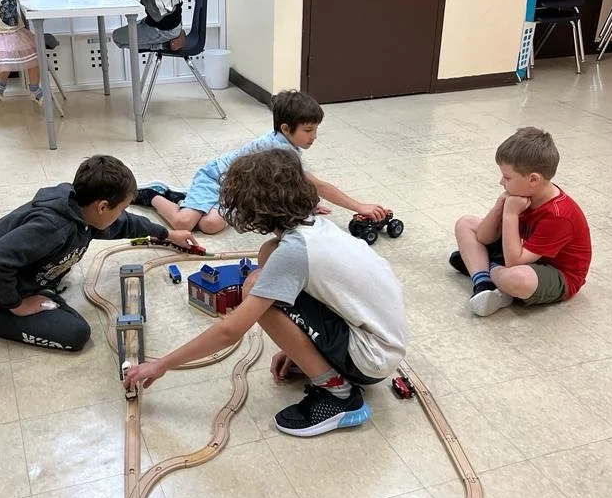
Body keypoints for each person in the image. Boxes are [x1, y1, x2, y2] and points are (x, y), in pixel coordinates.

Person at [123, 148, 408, 438]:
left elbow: (230, 331)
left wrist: (161, 364)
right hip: (378, 341)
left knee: (256, 292)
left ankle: (339, 396)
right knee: (266, 261)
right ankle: (326, 365)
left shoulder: (295, 252)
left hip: (370, 357)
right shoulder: (315, 227)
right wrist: (296, 349)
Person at [0, 155, 199, 351]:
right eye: (120, 207)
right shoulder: (54, 228)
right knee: (76, 333)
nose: (122, 213)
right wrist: (17, 305)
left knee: (51, 269)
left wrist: (166, 234)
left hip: (0, 268)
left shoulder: (84, 210)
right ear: (102, 207)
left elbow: (124, 222)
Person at [133, 90, 390, 234]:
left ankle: (183, 199)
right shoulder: (279, 149)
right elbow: (318, 184)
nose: (314, 137)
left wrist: (307, 206)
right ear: (286, 128)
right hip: (215, 177)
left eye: (315, 130)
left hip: (235, 189)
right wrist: (359, 206)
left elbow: (288, 183)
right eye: (309, 130)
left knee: (210, 225)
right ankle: (154, 194)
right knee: (183, 225)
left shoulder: (287, 144)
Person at [451, 126, 592, 317]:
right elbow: (484, 237)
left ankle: (483, 267)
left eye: (507, 177)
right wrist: (498, 208)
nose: (501, 182)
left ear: (533, 179)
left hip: (555, 273)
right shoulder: (523, 193)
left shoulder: (558, 215)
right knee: (465, 223)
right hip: (523, 253)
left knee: (517, 278)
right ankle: (483, 284)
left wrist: (510, 214)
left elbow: (513, 263)